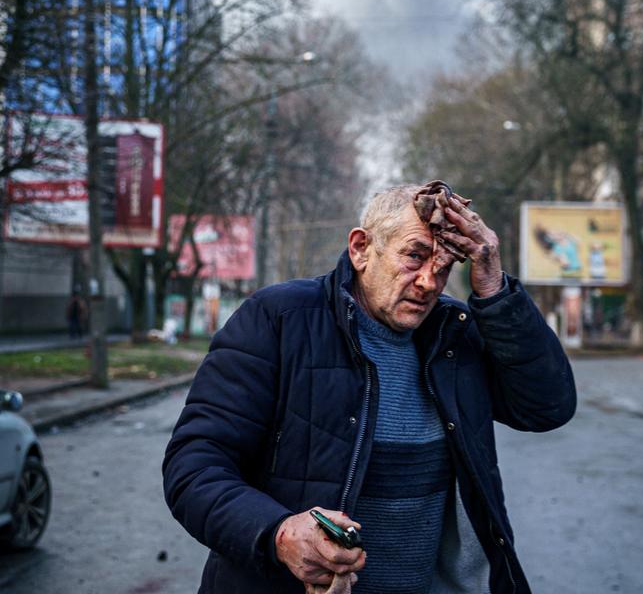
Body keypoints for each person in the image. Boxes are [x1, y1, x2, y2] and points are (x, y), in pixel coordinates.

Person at [163, 183, 577, 594]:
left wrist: (493, 286)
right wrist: (279, 533)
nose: (429, 282)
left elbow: (546, 407)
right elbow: (195, 466)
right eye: (414, 255)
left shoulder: (457, 333)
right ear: (361, 248)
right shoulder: (278, 319)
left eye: (446, 263)